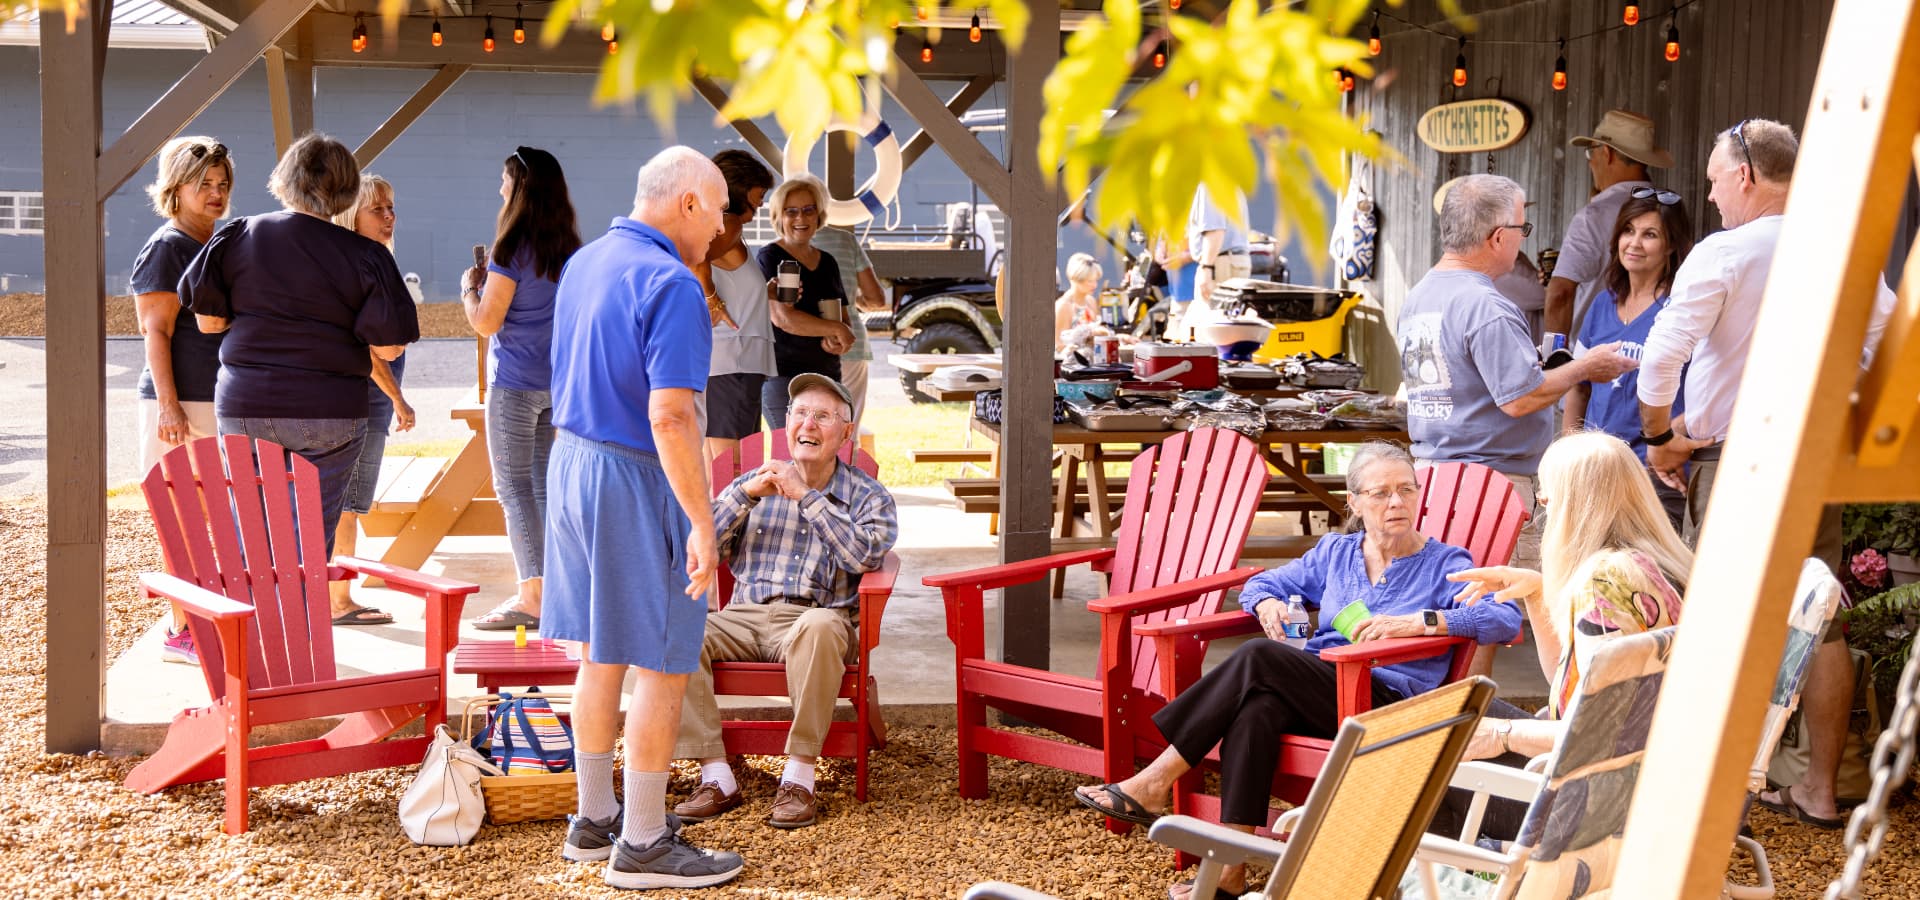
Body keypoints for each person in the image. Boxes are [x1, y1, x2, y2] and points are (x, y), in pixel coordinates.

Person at [1070, 442, 1523, 899]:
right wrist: (1266, 603)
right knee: (1258, 709)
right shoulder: (1335, 553)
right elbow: (1262, 582)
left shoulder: (1446, 563)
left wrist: (1420, 622)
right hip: (1325, 692)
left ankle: (1156, 778)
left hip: (1391, 703)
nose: (1396, 502)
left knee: (1259, 658)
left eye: (1406, 489)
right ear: (1355, 502)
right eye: (1381, 493)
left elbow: (1502, 618)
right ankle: (1229, 870)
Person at [1637, 119, 1897, 829]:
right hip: (1813, 460)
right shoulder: (1842, 248)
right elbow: (1890, 350)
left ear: (1747, 176)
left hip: (1735, 459)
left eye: (1718, 178)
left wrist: (1660, 435)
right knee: (1822, 620)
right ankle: (1816, 788)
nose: (1714, 194)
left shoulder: (1724, 250)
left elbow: (1662, 359)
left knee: (1720, 617)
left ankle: (1702, 799)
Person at [544, 146, 743, 890]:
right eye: (719, 208)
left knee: (602, 651)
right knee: (664, 661)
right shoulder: (673, 283)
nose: (723, 226)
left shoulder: (587, 261)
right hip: (632, 474)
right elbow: (670, 416)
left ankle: (593, 821)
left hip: (571, 463)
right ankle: (647, 843)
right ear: (687, 202)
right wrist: (702, 522)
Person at [178, 133, 419, 627]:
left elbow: (207, 321)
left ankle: (249, 652)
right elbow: (391, 346)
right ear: (347, 191)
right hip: (330, 410)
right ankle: (295, 645)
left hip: (246, 404)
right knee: (307, 537)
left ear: (285, 180)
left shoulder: (237, 236)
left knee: (252, 528)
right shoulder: (363, 254)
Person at [1430, 431, 1690, 844]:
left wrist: (1503, 735)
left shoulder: (1602, 585)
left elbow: (1601, 730)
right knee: (1450, 708)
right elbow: (1572, 689)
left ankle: (1460, 878)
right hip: (1653, 781)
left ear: (1562, 504)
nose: (1542, 508)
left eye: (1545, 497)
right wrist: (1537, 593)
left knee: (1413, 767)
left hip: (1592, 804)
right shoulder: (1657, 565)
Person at [671, 374, 899, 829]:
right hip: (742, 616)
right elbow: (699, 545)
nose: (807, 424)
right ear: (785, 424)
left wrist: (806, 496)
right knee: (671, 627)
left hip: (814, 620)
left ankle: (797, 777)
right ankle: (716, 775)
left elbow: (865, 555)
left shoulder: (868, 496)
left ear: (845, 433)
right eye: (799, 413)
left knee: (818, 627)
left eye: (822, 416)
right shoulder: (751, 484)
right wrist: (742, 495)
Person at [1397, 173, 1637, 575]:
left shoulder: (1421, 293)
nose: (1522, 238)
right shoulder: (1485, 305)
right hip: (1489, 487)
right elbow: (1519, 399)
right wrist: (1585, 367)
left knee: (1456, 606)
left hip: (1433, 481)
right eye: (1520, 228)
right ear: (1497, 237)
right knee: (1497, 607)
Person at [462, 146, 580, 632]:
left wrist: (471, 288)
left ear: (522, 190)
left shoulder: (511, 250)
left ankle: (531, 596)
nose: (500, 190)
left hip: (513, 384)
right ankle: (557, 590)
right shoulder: (571, 250)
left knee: (512, 489)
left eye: (506, 182)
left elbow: (487, 321)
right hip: (557, 384)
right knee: (545, 488)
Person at [135, 135, 233, 665]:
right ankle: (180, 631)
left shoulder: (214, 241)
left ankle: (201, 623)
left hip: (214, 399)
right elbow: (156, 330)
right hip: (178, 404)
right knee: (181, 518)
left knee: (215, 519)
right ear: (177, 188)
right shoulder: (168, 246)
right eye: (204, 185)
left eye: (222, 184)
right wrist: (169, 407)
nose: (216, 193)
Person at [1563, 190, 1696, 531]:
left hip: (1653, 474)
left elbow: (1702, 393)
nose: (1634, 243)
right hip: (1595, 470)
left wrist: (1666, 442)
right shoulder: (1602, 304)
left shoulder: (1681, 309)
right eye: (1628, 230)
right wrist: (1568, 452)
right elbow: (1579, 388)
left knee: (1648, 579)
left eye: (1650, 234)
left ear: (1671, 246)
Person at [329, 175, 416, 624]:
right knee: (347, 504)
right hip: (361, 399)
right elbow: (374, 348)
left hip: (365, 399)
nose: (388, 217)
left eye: (391, 208)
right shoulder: (358, 266)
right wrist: (399, 399)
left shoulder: (371, 262)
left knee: (349, 503)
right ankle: (338, 600)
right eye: (376, 209)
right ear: (350, 216)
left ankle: (335, 596)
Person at [1546, 109, 1668, 339]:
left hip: (1594, 350)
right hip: (1656, 345)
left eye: (1590, 153)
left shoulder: (1593, 216)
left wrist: (1555, 361)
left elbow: (1560, 293)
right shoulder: (1671, 209)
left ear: (1607, 152)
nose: (1590, 162)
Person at [694, 149, 777, 460]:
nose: (763, 201)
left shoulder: (722, 224)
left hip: (729, 362)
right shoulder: (729, 222)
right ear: (741, 185)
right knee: (733, 467)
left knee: (715, 467)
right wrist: (712, 299)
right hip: (733, 362)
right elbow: (696, 259)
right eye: (761, 192)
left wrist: (762, 292)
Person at [757, 174, 854, 431]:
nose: (800, 219)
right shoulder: (769, 257)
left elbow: (844, 322)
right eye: (791, 212)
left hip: (827, 377)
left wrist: (838, 339)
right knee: (790, 455)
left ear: (818, 215)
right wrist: (834, 329)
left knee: (825, 457)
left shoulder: (828, 262)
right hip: (783, 377)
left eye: (808, 210)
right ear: (779, 217)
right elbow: (783, 319)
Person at [807, 223, 887, 432]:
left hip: (804, 342)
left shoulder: (787, 243)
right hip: (850, 342)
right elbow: (877, 298)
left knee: (809, 428)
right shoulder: (846, 240)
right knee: (847, 428)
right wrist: (852, 301)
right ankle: (847, 465)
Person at [1178, 183, 1251, 340]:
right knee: (1228, 332)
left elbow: (1215, 230)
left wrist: (1206, 267)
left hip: (1220, 263)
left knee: (1210, 335)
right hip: (1230, 261)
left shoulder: (1207, 184)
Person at [1053, 252, 1105, 353]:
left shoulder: (1091, 301)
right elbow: (1059, 345)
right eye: (1090, 281)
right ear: (1076, 279)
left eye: (1096, 280)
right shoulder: (1064, 306)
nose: (1094, 285)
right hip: (1074, 365)